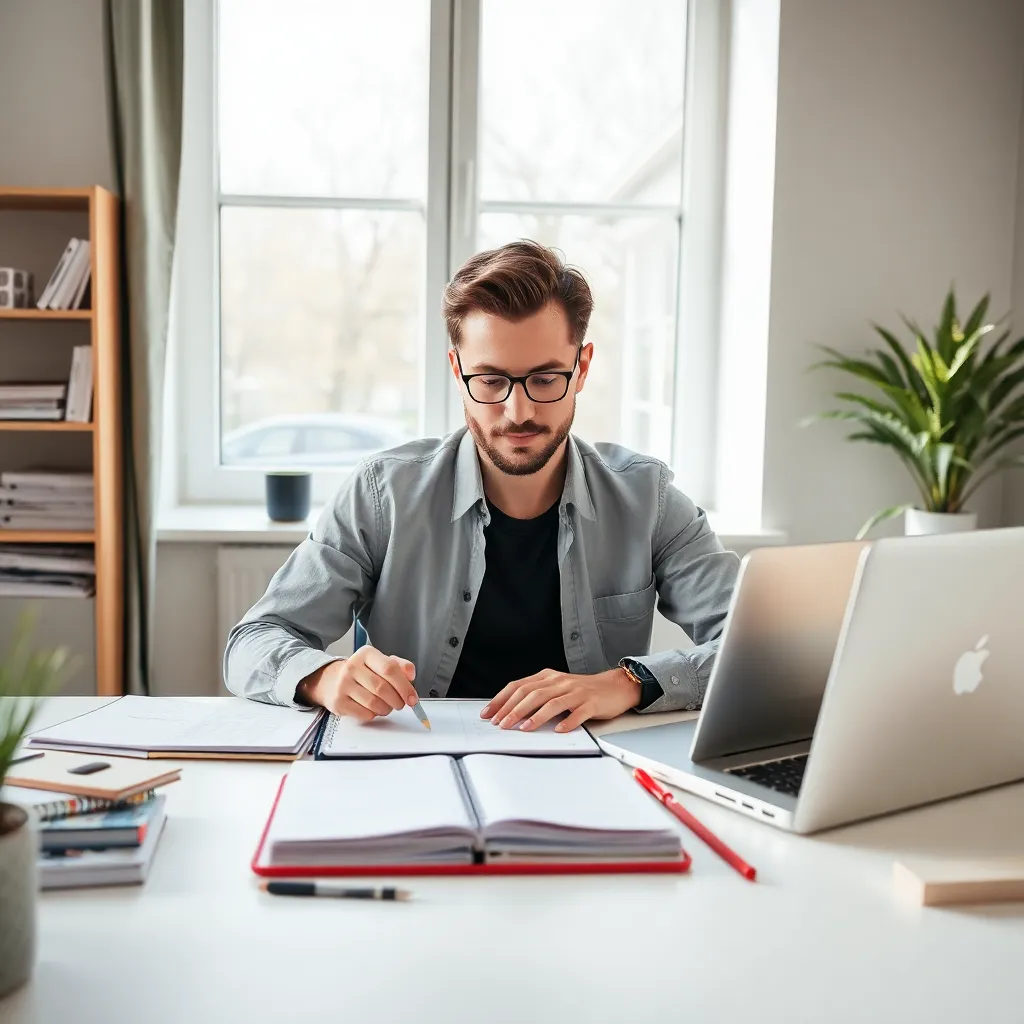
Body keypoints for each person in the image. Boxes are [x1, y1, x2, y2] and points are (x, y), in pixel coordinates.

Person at [224, 240, 740, 732]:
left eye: (544, 379)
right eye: (490, 381)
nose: (518, 412)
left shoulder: (648, 499)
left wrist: (628, 683)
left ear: (581, 368)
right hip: (415, 763)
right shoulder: (383, 494)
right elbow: (252, 642)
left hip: (587, 768)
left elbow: (759, 648)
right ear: (457, 370)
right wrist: (324, 677)